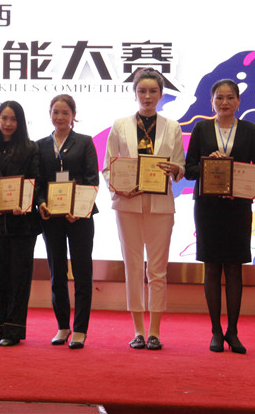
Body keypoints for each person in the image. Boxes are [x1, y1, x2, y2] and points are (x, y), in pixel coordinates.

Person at [185, 79, 255, 355]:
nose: (224, 102)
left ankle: (233, 331)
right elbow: (189, 170)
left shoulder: (249, 130)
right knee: (211, 268)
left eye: (230, 97)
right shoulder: (201, 128)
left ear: (238, 101)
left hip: (237, 208)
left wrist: (241, 187)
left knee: (234, 268)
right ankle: (215, 332)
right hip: (207, 208)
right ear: (211, 102)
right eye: (219, 98)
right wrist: (210, 165)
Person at [103, 69, 185, 351]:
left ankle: (155, 331)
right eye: (142, 91)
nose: (147, 96)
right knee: (134, 266)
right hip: (127, 204)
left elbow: (180, 167)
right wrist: (119, 187)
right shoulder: (120, 125)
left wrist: (175, 169)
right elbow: (108, 166)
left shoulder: (172, 127)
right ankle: (138, 330)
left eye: (153, 91)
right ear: (135, 93)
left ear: (161, 94)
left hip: (161, 205)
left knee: (158, 270)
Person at [36, 95, 99, 349]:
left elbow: (92, 179)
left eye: (65, 112)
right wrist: (41, 202)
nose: (60, 117)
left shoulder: (84, 142)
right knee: (57, 272)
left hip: (80, 217)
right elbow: (38, 181)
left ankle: (80, 329)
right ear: (49, 114)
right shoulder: (40, 145)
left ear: (73, 115)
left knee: (82, 272)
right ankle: (63, 326)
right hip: (51, 217)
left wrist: (78, 208)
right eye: (55, 112)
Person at [0, 100, 41, 347]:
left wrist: (25, 203)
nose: (7, 123)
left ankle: (15, 330)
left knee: (20, 277)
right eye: (4, 118)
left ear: (20, 122)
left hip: (23, 223)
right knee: (2, 275)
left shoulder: (31, 148)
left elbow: (36, 181)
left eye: (13, 119)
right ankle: (3, 325)